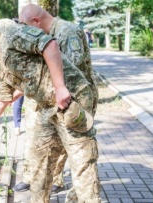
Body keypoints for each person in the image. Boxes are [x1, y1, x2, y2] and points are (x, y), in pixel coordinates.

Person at [0, 19, 101, 203]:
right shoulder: (2, 65)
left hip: (71, 100)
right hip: (48, 109)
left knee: (82, 161)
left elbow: (49, 44)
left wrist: (60, 87)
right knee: (39, 159)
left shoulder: (11, 36)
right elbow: (2, 100)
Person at [15, 4, 100, 197]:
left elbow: (73, 72)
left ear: (36, 21)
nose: (28, 34)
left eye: (28, 27)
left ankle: (79, 197)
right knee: (47, 150)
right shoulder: (47, 36)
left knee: (80, 158)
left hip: (76, 104)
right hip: (59, 104)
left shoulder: (67, 32)